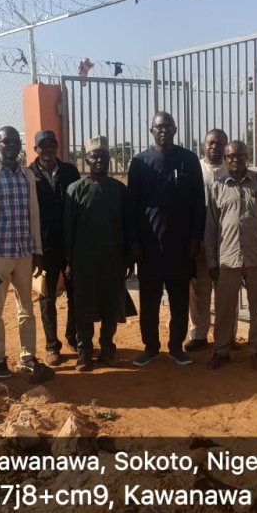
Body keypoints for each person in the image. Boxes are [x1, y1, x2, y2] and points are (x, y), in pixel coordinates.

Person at [0, 126, 55, 383]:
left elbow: (34, 215)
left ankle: (28, 356)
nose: (10, 145)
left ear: (20, 146)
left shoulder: (27, 176)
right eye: (4, 141)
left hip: (24, 254)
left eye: (14, 141)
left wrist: (38, 251)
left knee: (26, 308)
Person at [126, 110, 205, 366]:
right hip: (149, 248)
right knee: (149, 302)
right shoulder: (140, 163)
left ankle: (176, 347)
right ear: (152, 132)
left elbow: (198, 204)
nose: (164, 131)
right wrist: (134, 242)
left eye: (168, 126)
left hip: (181, 248)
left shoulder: (189, 160)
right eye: (159, 127)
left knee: (179, 302)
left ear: (175, 130)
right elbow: (132, 205)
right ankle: (150, 347)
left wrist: (195, 238)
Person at [204, 140, 257, 371]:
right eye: (230, 156)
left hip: (256, 256)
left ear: (247, 156)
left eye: (240, 155)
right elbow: (210, 227)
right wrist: (211, 259)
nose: (235, 159)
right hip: (227, 257)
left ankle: (256, 350)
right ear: (225, 159)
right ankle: (221, 351)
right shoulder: (217, 186)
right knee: (223, 307)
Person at [64, 136, 130, 371]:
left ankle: (107, 350)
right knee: (83, 308)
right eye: (94, 156)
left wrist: (128, 257)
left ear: (109, 159)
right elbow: (68, 230)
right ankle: (84, 354)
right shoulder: (75, 190)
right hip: (84, 262)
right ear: (87, 160)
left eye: (103, 156)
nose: (99, 160)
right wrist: (69, 262)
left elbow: (127, 225)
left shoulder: (120, 190)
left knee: (111, 305)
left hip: (113, 259)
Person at [28, 129, 81, 366]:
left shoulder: (70, 171)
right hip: (44, 249)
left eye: (52, 146)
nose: (48, 150)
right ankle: (52, 345)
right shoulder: (29, 175)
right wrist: (34, 251)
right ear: (35, 149)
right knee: (46, 297)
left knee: (75, 294)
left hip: (70, 245)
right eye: (43, 146)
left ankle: (73, 336)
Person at [185, 128, 229, 353]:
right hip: (200, 239)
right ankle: (199, 334)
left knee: (225, 289)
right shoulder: (195, 170)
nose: (215, 147)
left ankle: (226, 336)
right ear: (203, 145)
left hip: (226, 241)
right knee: (198, 288)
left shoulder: (232, 171)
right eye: (211, 143)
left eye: (220, 144)